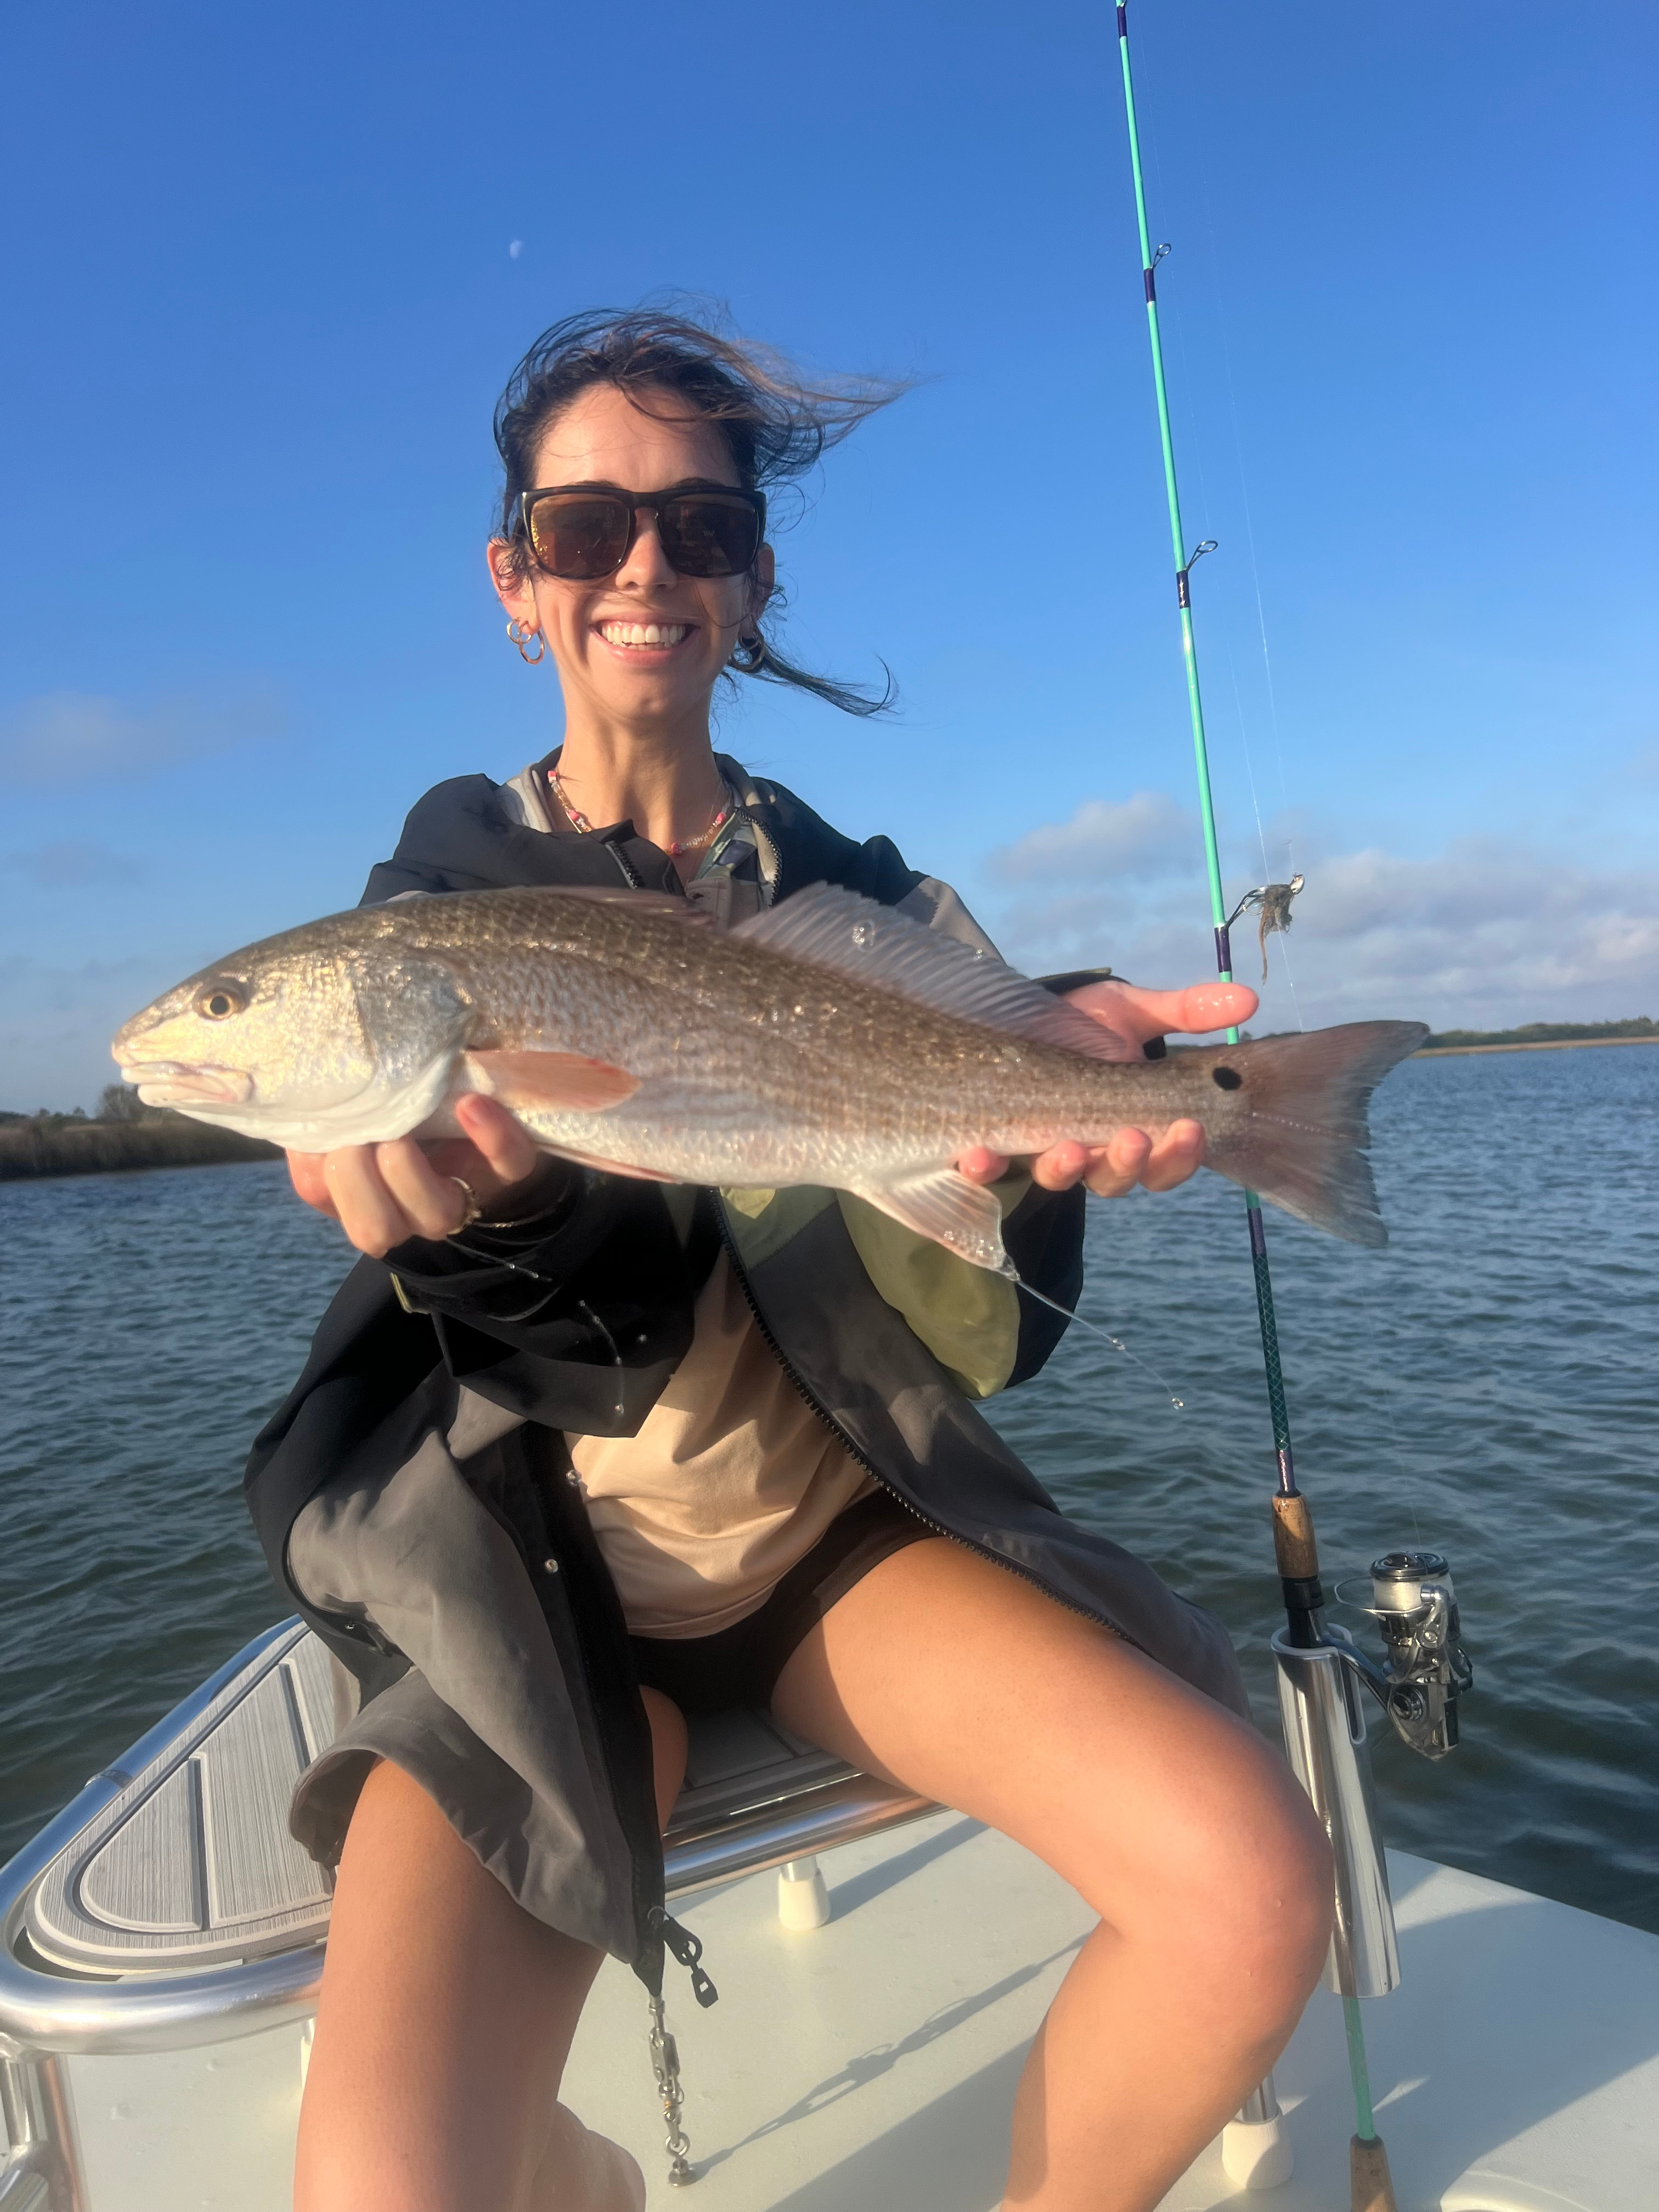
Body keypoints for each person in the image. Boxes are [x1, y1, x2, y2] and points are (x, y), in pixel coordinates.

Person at [253, 309, 1330, 2212]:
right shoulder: (432, 920)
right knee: (387, 2189)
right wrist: (492, 1220)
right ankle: (578, 2172)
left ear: (753, 581)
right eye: (586, 527)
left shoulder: (883, 903)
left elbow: (979, 1347)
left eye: (701, 525)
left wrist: (1055, 1130)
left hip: (839, 1552)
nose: (644, 566)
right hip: (542, 1588)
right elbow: (517, 1339)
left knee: (1250, 1889)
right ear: (516, 580)